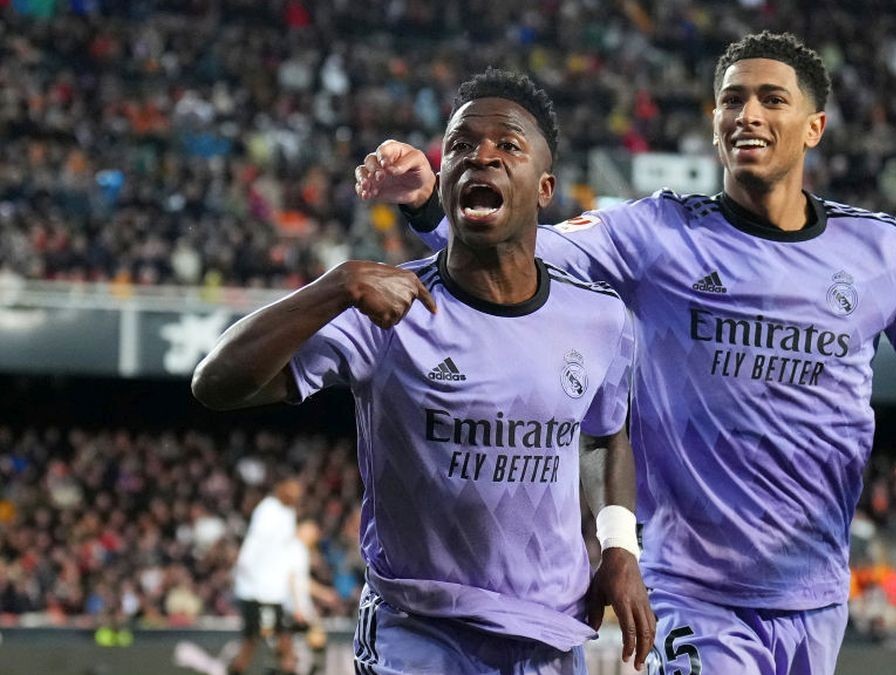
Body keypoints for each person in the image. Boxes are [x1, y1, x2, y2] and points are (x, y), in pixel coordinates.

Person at [356, 31, 896, 674]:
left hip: (817, 591)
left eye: (772, 99)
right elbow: (523, 250)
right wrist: (430, 198)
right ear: (715, 121)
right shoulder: (657, 233)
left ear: (814, 127)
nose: (747, 113)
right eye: (732, 100)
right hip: (693, 592)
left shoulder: (878, 250)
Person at [194, 69, 654, 674]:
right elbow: (216, 384)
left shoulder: (598, 317)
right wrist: (333, 287)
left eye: (506, 146)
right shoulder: (385, 308)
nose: (480, 157)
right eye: (461, 145)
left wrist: (620, 548)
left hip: (549, 630)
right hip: (419, 633)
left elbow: (601, 435)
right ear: (445, 180)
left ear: (544, 188)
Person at [229, 478, 303, 675]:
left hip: (274, 590)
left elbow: (284, 551)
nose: (295, 498)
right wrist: (247, 573)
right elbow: (254, 543)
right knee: (252, 640)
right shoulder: (268, 510)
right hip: (257, 589)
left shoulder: (288, 514)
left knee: (281, 638)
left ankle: (286, 669)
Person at [285, 520, 338, 675]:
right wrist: (298, 608)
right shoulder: (296, 548)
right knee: (315, 640)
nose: (313, 535)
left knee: (293, 647)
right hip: (295, 606)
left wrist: (323, 593)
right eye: (311, 531)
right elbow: (292, 579)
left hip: (294, 605)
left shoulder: (297, 549)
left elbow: (302, 581)